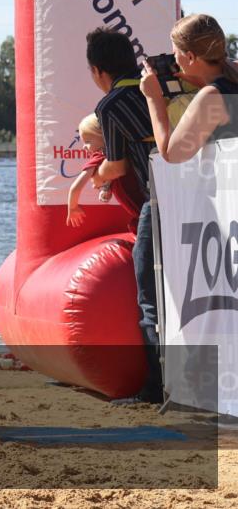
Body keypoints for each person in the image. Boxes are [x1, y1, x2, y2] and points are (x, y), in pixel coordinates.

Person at [86, 26, 160, 404]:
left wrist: (95, 174)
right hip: (198, 202)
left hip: (159, 204)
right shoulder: (160, 88)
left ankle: (154, 389)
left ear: (99, 71)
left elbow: (115, 168)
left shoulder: (112, 104)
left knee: (149, 298)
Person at [141, 14, 238, 162]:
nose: (175, 60)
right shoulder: (231, 73)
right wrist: (201, 82)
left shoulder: (211, 95)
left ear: (190, 57)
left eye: (175, 54)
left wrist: (153, 97)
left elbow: (171, 154)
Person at [66, 113, 144, 232]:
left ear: (103, 136)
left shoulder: (100, 154)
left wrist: (73, 207)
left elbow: (76, 187)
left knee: (142, 224)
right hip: (140, 200)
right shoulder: (118, 152)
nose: (84, 147)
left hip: (137, 204)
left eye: (87, 141)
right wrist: (106, 188)